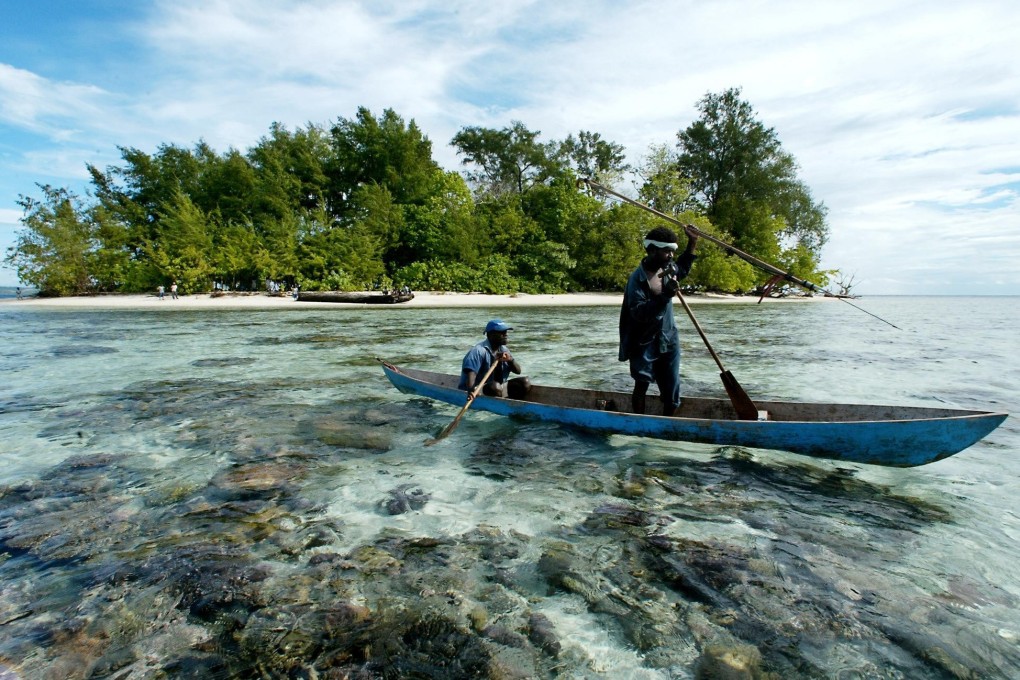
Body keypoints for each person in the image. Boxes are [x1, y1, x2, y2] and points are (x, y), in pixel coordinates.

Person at [618, 225, 699, 416]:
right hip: (643, 341)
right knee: (642, 384)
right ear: (652, 250)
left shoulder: (668, 269)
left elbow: (683, 267)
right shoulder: (637, 280)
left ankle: (667, 424)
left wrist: (693, 241)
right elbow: (639, 313)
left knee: (671, 387)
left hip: (668, 337)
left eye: (672, 251)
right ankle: (638, 423)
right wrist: (665, 296)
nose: (671, 255)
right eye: (667, 251)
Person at [459, 319, 531, 401]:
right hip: (476, 389)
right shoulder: (478, 351)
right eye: (502, 332)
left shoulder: (504, 350)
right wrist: (471, 391)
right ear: (490, 335)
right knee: (495, 387)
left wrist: (510, 360)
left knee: (525, 382)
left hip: (498, 389)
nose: (506, 334)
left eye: (506, 332)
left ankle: (507, 400)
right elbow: (471, 374)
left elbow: (518, 371)